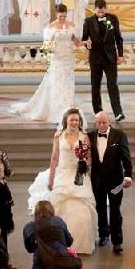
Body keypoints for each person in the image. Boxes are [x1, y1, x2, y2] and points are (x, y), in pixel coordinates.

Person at [27, 108, 98, 255]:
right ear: (66, 121)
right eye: (71, 120)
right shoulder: (58, 136)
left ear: (80, 122)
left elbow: (90, 158)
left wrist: (84, 162)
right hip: (62, 174)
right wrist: (51, 178)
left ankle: (81, 245)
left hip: (78, 175)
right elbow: (54, 158)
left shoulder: (84, 136)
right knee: (57, 207)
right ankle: (55, 243)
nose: (74, 122)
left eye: (77, 120)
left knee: (82, 211)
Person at [10, 4, 82, 123]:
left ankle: (68, 107)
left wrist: (85, 43)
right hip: (57, 59)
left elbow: (76, 42)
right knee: (57, 84)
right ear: (56, 14)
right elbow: (46, 47)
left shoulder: (71, 26)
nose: (63, 18)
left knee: (68, 84)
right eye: (60, 16)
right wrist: (48, 52)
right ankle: (59, 110)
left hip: (68, 60)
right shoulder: (51, 27)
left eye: (64, 16)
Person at [88, 111, 132, 253]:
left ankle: (117, 241)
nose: (101, 125)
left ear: (109, 122)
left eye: (104, 122)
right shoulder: (90, 135)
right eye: (98, 122)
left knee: (115, 210)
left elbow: (126, 158)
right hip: (97, 180)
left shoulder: (119, 135)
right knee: (100, 208)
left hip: (116, 181)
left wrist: (128, 176)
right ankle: (103, 235)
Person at [82, 0, 125, 120]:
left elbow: (118, 38)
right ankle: (98, 111)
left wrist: (120, 55)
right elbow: (84, 38)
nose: (100, 14)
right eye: (98, 12)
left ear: (106, 8)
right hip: (95, 58)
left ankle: (118, 112)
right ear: (94, 9)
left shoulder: (113, 19)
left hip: (110, 57)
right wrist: (87, 44)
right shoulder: (88, 21)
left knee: (113, 85)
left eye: (102, 11)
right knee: (95, 85)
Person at [23, 200, 76, 269]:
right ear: (51, 210)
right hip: (62, 267)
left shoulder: (29, 227)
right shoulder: (59, 221)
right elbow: (69, 241)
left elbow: (29, 249)